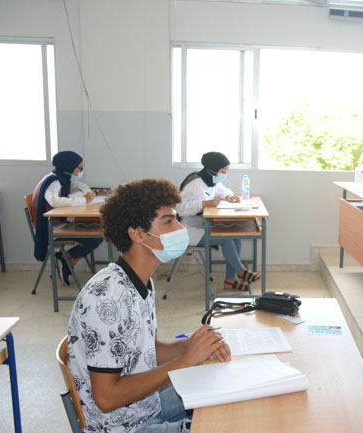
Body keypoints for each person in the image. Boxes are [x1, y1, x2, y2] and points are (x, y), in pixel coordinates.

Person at [67, 178, 231, 433]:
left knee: (227, 391)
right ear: (138, 234)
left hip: (146, 405)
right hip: (122, 426)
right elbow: (107, 399)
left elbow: (147, 350)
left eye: (176, 220)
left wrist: (193, 346)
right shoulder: (107, 298)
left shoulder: (139, 280)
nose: (179, 228)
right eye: (168, 221)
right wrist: (184, 361)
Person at [176, 151, 261, 291]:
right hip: (188, 230)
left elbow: (222, 190)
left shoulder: (212, 180)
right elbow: (179, 208)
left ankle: (230, 280)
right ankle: (241, 271)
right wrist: (204, 204)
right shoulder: (195, 182)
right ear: (212, 169)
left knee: (235, 235)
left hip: (204, 225)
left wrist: (229, 197)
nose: (224, 175)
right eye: (223, 171)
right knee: (226, 239)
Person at [31, 150, 101, 286]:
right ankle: (65, 259)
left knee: (97, 233)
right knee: (96, 236)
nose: (81, 171)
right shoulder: (53, 182)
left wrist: (87, 192)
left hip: (56, 223)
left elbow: (77, 185)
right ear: (69, 166)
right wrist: (83, 200)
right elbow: (54, 202)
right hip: (50, 227)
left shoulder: (61, 177)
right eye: (80, 168)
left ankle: (66, 260)